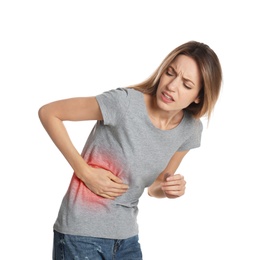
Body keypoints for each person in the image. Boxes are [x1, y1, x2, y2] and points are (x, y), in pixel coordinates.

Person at [38, 40, 222, 260]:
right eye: (170, 73)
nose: (171, 86)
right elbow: (50, 113)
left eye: (187, 84)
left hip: (126, 238)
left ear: (199, 96)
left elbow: (155, 187)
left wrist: (169, 189)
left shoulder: (189, 130)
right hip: (81, 233)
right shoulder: (124, 103)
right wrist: (84, 170)